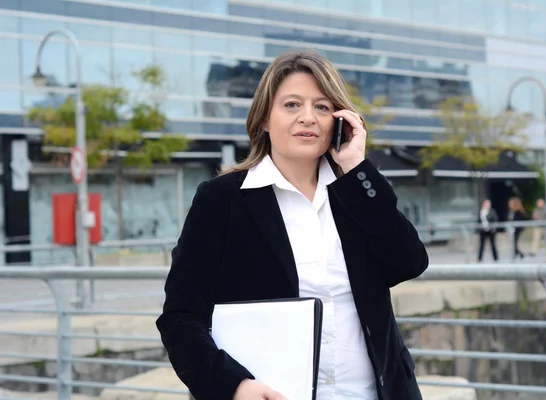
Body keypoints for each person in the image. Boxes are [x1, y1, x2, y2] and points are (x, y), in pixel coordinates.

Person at [155, 50, 429, 400]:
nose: (308, 118)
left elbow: (409, 262)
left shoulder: (358, 191)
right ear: (264, 119)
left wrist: (357, 168)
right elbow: (180, 317)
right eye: (291, 105)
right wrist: (233, 386)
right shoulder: (221, 201)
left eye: (322, 107)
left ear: (340, 121)